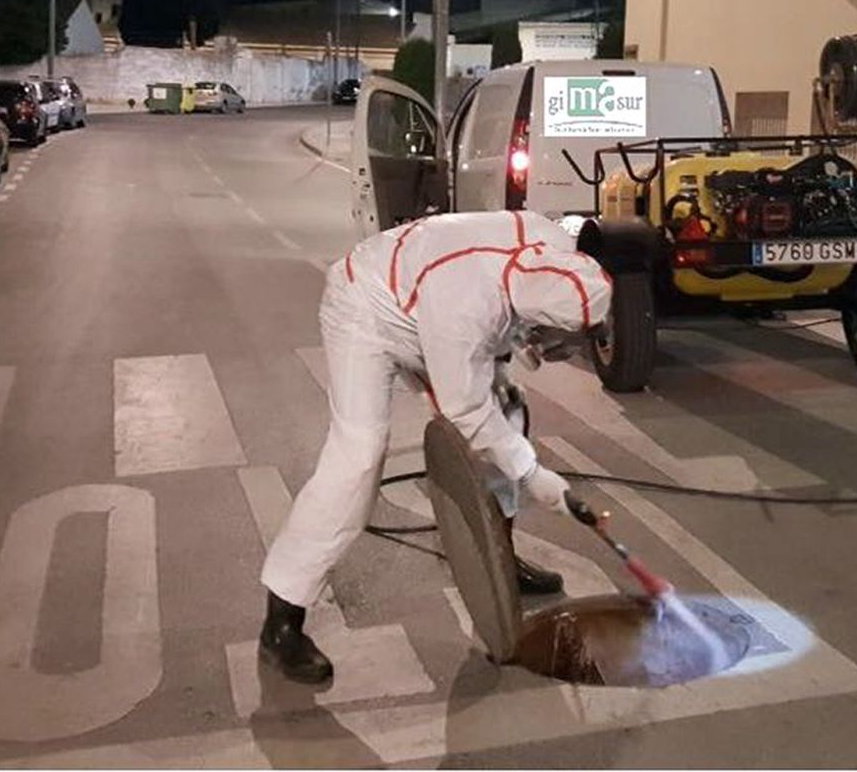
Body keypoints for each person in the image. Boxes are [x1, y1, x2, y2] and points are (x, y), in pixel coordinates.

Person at [258, 209, 613, 684]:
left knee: (507, 411)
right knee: (358, 456)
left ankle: (498, 562)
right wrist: (534, 475)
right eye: (552, 339)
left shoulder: (553, 251)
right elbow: (463, 409)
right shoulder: (466, 304)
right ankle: (282, 619)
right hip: (367, 308)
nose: (551, 350)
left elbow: (499, 342)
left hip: (427, 293)